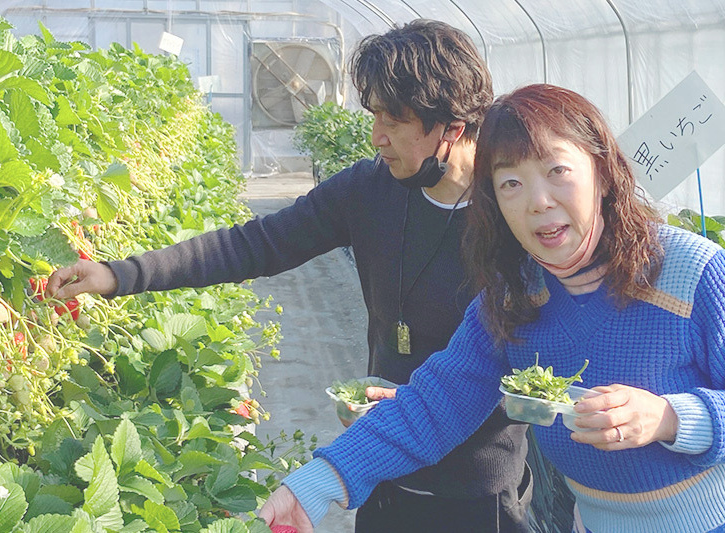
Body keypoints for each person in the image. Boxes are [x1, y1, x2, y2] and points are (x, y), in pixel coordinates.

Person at [46, 20, 532, 533]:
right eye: (374, 115)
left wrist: (429, 403)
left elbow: (542, 357)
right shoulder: (369, 192)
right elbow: (255, 244)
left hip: (479, 495)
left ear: (451, 127)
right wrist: (119, 275)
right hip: (379, 477)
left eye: (395, 120)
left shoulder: (511, 215)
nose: (376, 136)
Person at [258, 83, 725, 533]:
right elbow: (433, 404)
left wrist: (670, 418)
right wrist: (309, 489)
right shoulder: (515, 295)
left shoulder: (693, 272)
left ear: (602, 172)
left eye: (557, 171)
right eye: (511, 183)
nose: (538, 202)